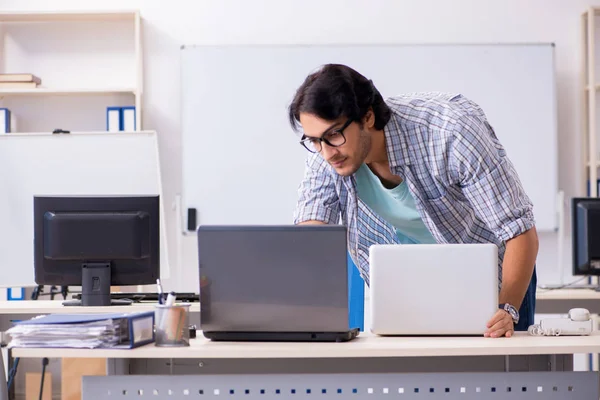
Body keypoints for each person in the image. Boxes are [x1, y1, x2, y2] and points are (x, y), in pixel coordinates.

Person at [288, 64, 538, 338]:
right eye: (314, 141)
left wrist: (507, 308)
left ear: (367, 117)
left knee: (504, 375)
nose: (325, 153)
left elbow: (520, 231)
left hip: (495, 284)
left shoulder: (451, 132)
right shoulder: (327, 150)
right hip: (408, 293)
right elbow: (313, 234)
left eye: (333, 135)